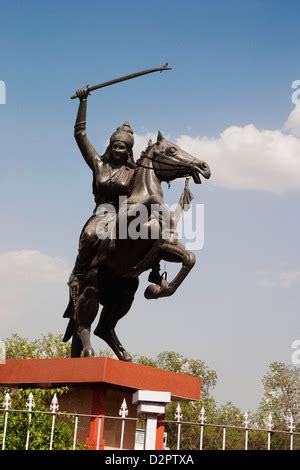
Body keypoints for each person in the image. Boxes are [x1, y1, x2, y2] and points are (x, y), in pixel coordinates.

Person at [69, 87, 162, 288]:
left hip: (124, 214)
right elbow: (80, 134)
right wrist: (83, 101)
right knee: (88, 235)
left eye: (123, 147)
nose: (119, 150)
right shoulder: (98, 164)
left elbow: (148, 185)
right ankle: (77, 273)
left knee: (153, 231)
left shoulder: (134, 172)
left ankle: (154, 270)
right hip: (102, 214)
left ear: (129, 151)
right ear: (109, 147)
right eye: (115, 146)